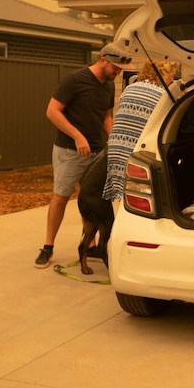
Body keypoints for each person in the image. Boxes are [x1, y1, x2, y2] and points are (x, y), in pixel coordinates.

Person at [34, 42, 131, 269]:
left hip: (96, 150)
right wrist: (77, 136)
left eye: (120, 69)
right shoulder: (74, 80)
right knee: (61, 197)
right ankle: (48, 246)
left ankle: (91, 246)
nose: (117, 73)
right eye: (115, 67)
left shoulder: (108, 86)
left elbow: (106, 117)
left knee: (91, 197)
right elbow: (52, 111)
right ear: (103, 60)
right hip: (69, 150)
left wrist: (116, 140)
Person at [103, 60, 180, 202]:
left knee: (123, 192)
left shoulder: (129, 89)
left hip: (115, 147)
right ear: (162, 74)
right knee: (136, 194)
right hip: (136, 150)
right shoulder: (163, 96)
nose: (172, 80)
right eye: (171, 76)